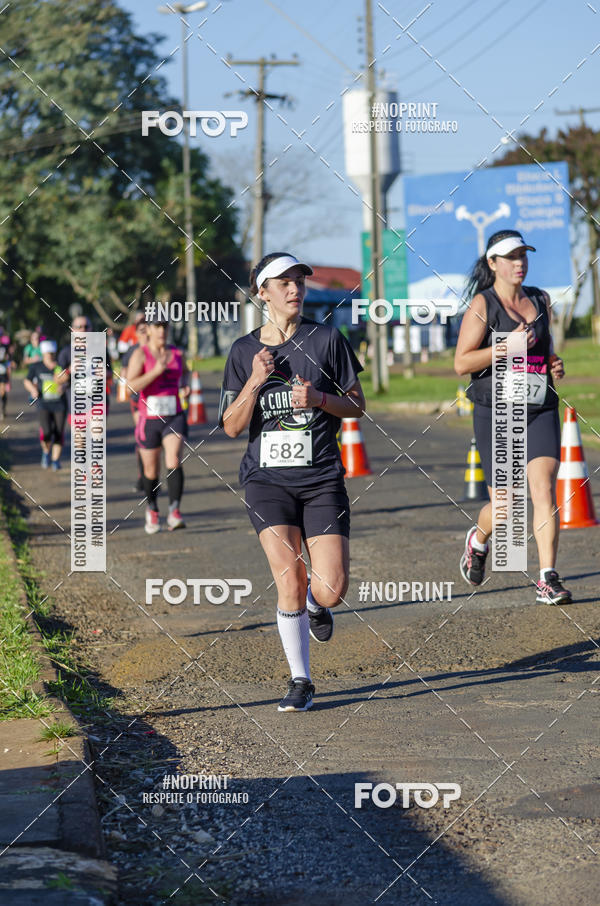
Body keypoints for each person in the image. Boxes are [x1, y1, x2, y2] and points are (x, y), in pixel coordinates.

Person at [220, 252, 366, 712]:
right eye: (283, 282)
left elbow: (356, 405)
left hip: (321, 478)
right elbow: (230, 425)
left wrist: (319, 398)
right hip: (267, 482)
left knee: (330, 588)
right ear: (263, 292)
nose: (294, 289)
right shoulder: (245, 351)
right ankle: (300, 680)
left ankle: (318, 607)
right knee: (288, 578)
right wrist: (255, 381)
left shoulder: (326, 339)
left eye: (299, 280)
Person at [454, 229, 570, 605]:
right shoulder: (482, 305)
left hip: (539, 407)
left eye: (523, 255)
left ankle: (547, 578)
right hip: (497, 411)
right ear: (493, 264)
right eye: (510, 257)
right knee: (506, 507)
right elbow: (461, 363)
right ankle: (479, 540)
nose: (519, 262)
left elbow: (544, 345)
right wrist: (505, 347)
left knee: (543, 489)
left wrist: (551, 361)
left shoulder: (540, 299)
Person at [127, 313, 190, 533]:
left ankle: (174, 511)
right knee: (151, 470)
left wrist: (185, 385)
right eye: (158, 326)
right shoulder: (141, 355)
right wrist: (155, 372)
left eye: (165, 326)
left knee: (174, 458)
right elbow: (129, 387)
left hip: (174, 415)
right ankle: (152, 508)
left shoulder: (176, 353)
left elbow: (186, 374)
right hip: (149, 419)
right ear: (149, 330)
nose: (162, 331)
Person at [24, 339, 68, 470]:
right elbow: (27, 380)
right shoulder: (36, 366)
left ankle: (55, 461)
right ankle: (46, 452)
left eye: (52, 352)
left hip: (60, 404)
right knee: (47, 432)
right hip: (43, 404)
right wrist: (32, 389)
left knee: (59, 433)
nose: (50, 355)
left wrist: (64, 386)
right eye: (47, 352)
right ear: (43, 353)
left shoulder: (60, 366)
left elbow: (69, 380)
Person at [120, 318, 149, 491]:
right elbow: (124, 373)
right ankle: (143, 475)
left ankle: (152, 475)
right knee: (142, 436)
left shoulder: (161, 349)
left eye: (147, 329)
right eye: (141, 330)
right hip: (138, 399)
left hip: (157, 400)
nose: (145, 333)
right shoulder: (132, 351)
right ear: (136, 333)